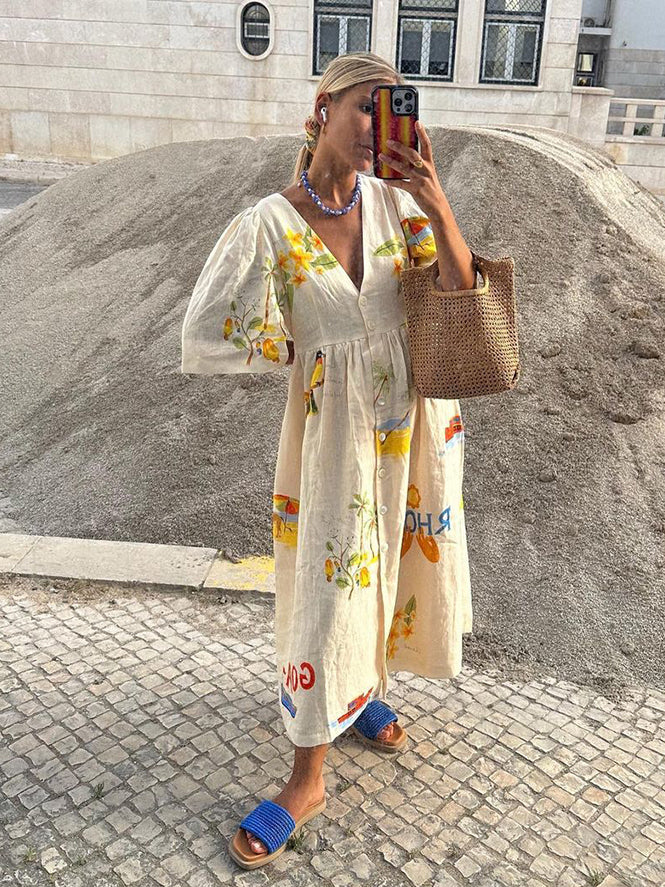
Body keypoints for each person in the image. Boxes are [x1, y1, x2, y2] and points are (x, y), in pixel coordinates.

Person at [181, 51, 479, 868]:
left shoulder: (397, 203)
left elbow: (459, 288)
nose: (378, 126)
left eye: (392, 109)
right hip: (333, 430)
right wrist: (293, 347)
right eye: (364, 108)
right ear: (322, 110)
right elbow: (206, 326)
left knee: (397, 563)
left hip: (414, 416)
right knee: (327, 587)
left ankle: (363, 690)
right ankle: (306, 776)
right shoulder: (268, 223)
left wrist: (435, 199)